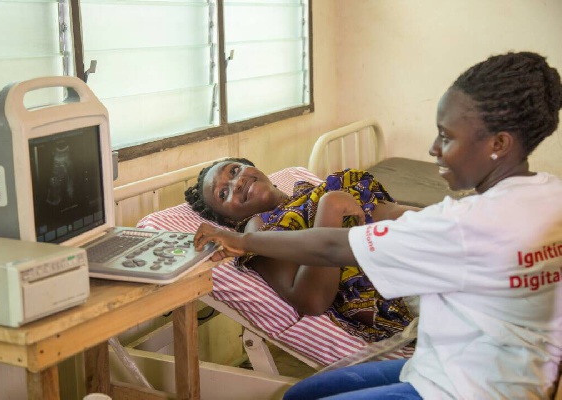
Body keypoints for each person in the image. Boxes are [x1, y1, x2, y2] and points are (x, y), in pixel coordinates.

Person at [194, 51, 562, 399]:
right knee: (300, 393)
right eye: (224, 192)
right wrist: (251, 237)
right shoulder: (551, 195)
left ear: (499, 143)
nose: (433, 148)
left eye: (446, 137)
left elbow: (340, 243)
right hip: (501, 362)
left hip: (469, 385)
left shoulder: (459, 224)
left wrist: (254, 236)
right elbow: (315, 288)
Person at [185, 159, 419, 342]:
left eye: (235, 171)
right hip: (414, 277)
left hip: (437, 238)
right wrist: (331, 208)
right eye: (224, 194)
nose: (237, 183)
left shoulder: (308, 192)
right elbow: (312, 299)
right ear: (229, 219)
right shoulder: (260, 228)